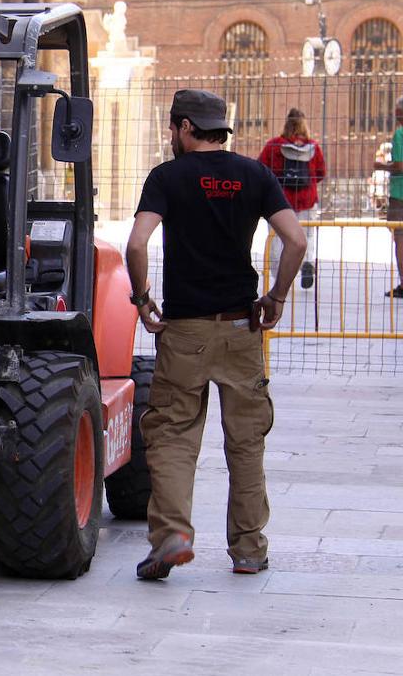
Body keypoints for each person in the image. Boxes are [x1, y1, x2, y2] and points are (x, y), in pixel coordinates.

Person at [125, 89, 306, 581]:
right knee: (246, 442)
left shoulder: (167, 177)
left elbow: (137, 243)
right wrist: (277, 297)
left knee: (173, 438)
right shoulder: (255, 174)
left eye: (171, 128)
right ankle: (249, 550)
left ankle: (173, 538)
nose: (170, 137)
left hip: (184, 331)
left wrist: (142, 301)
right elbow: (297, 239)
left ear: (185, 128)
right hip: (242, 327)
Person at [258, 108, 325, 289]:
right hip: (307, 199)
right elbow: (320, 173)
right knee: (308, 234)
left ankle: (279, 274)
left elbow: (261, 169)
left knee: (277, 237)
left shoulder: (274, 146)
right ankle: (307, 262)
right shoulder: (313, 147)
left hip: (280, 201)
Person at [374, 96, 403, 297]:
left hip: (400, 195)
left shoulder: (400, 134)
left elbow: (400, 166)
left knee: (400, 240)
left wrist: (380, 166)